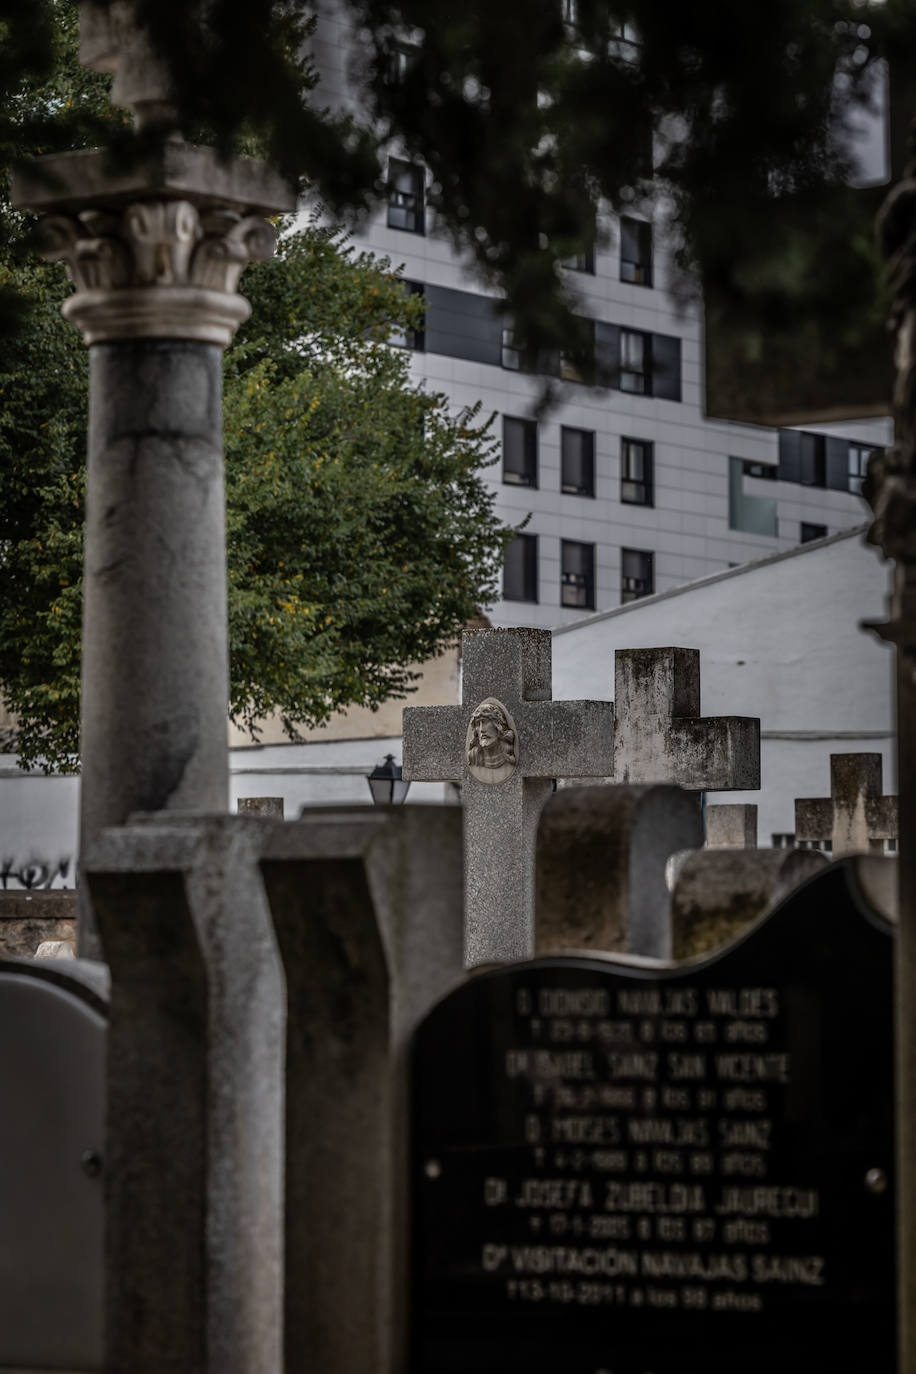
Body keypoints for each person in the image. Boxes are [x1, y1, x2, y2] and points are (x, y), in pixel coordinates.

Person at [467, 700, 517, 772]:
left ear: (497, 725)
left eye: (485, 722)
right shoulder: (474, 757)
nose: (481, 729)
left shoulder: (507, 755)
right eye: (478, 724)